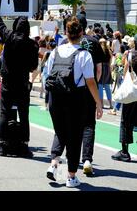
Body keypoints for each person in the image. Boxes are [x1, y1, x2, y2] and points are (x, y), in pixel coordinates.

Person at [45, 18, 103, 188]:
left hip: (55, 97)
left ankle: (54, 163)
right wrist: (98, 103)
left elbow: (48, 74)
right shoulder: (84, 54)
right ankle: (70, 176)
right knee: (75, 137)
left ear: (66, 33)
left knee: (60, 131)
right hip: (75, 99)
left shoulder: (56, 51)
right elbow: (90, 81)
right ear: (81, 33)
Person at [0, 0, 39, 157]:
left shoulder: (8, 37)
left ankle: (3, 144)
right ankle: (24, 145)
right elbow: (33, 66)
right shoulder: (32, 45)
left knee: (5, 111)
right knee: (24, 114)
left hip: (8, 82)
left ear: (15, 26)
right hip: (23, 82)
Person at [58, 14, 105, 176]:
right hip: (89, 88)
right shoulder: (93, 42)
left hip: (69, 91)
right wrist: (94, 89)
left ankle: (64, 160)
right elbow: (98, 69)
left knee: (68, 125)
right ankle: (86, 159)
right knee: (89, 124)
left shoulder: (65, 42)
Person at [111, 41, 137, 162]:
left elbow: (126, 72)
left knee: (126, 120)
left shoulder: (130, 54)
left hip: (132, 92)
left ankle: (125, 152)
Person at [98, 38, 114, 110]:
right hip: (107, 69)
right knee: (107, 87)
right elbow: (111, 61)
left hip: (101, 68)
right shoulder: (109, 51)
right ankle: (110, 104)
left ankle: (101, 104)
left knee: (100, 86)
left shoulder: (99, 51)